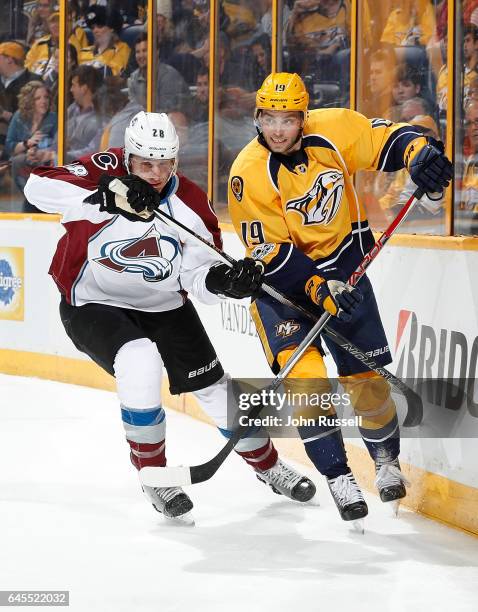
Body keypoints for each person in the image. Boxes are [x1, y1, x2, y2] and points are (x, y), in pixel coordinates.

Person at [23, 110, 315, 523]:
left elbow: (196, 273)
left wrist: (224, 282)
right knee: (139, 360)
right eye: (146, 164)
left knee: (215, 390)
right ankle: (154, 476)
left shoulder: (189, 201)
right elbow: (37, 186)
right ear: (129, 158)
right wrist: (106, 192)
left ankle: (269, 466)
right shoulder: (104, 168)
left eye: (165, 164)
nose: (157, 174)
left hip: (163, 306)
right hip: (92, 302)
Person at [227, 72, 452, 522]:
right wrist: (317, 289)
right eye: (268, 118)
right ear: (257, 117)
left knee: (365, 380)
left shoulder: (333, 128)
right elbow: (270, 252)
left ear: (303, 118)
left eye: (287, 119)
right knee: (308, 383)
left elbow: (387, 139)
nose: (277, 129)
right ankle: (338, 476)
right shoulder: (247, 173)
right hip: (283, 290)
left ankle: (386, 463)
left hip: (345, 273)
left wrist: (420, 153)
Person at [5, 80, 57, 195]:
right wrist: (27, 143)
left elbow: (59, 145)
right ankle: (29, 196)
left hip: (45, 163)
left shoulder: (53, 118)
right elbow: (9, 146)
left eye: (46, 97)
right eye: (38, 98)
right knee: (18, 161)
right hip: (22, 165)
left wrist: (40, 152)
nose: (43, 101)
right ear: (29, 101)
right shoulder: (19, 117)